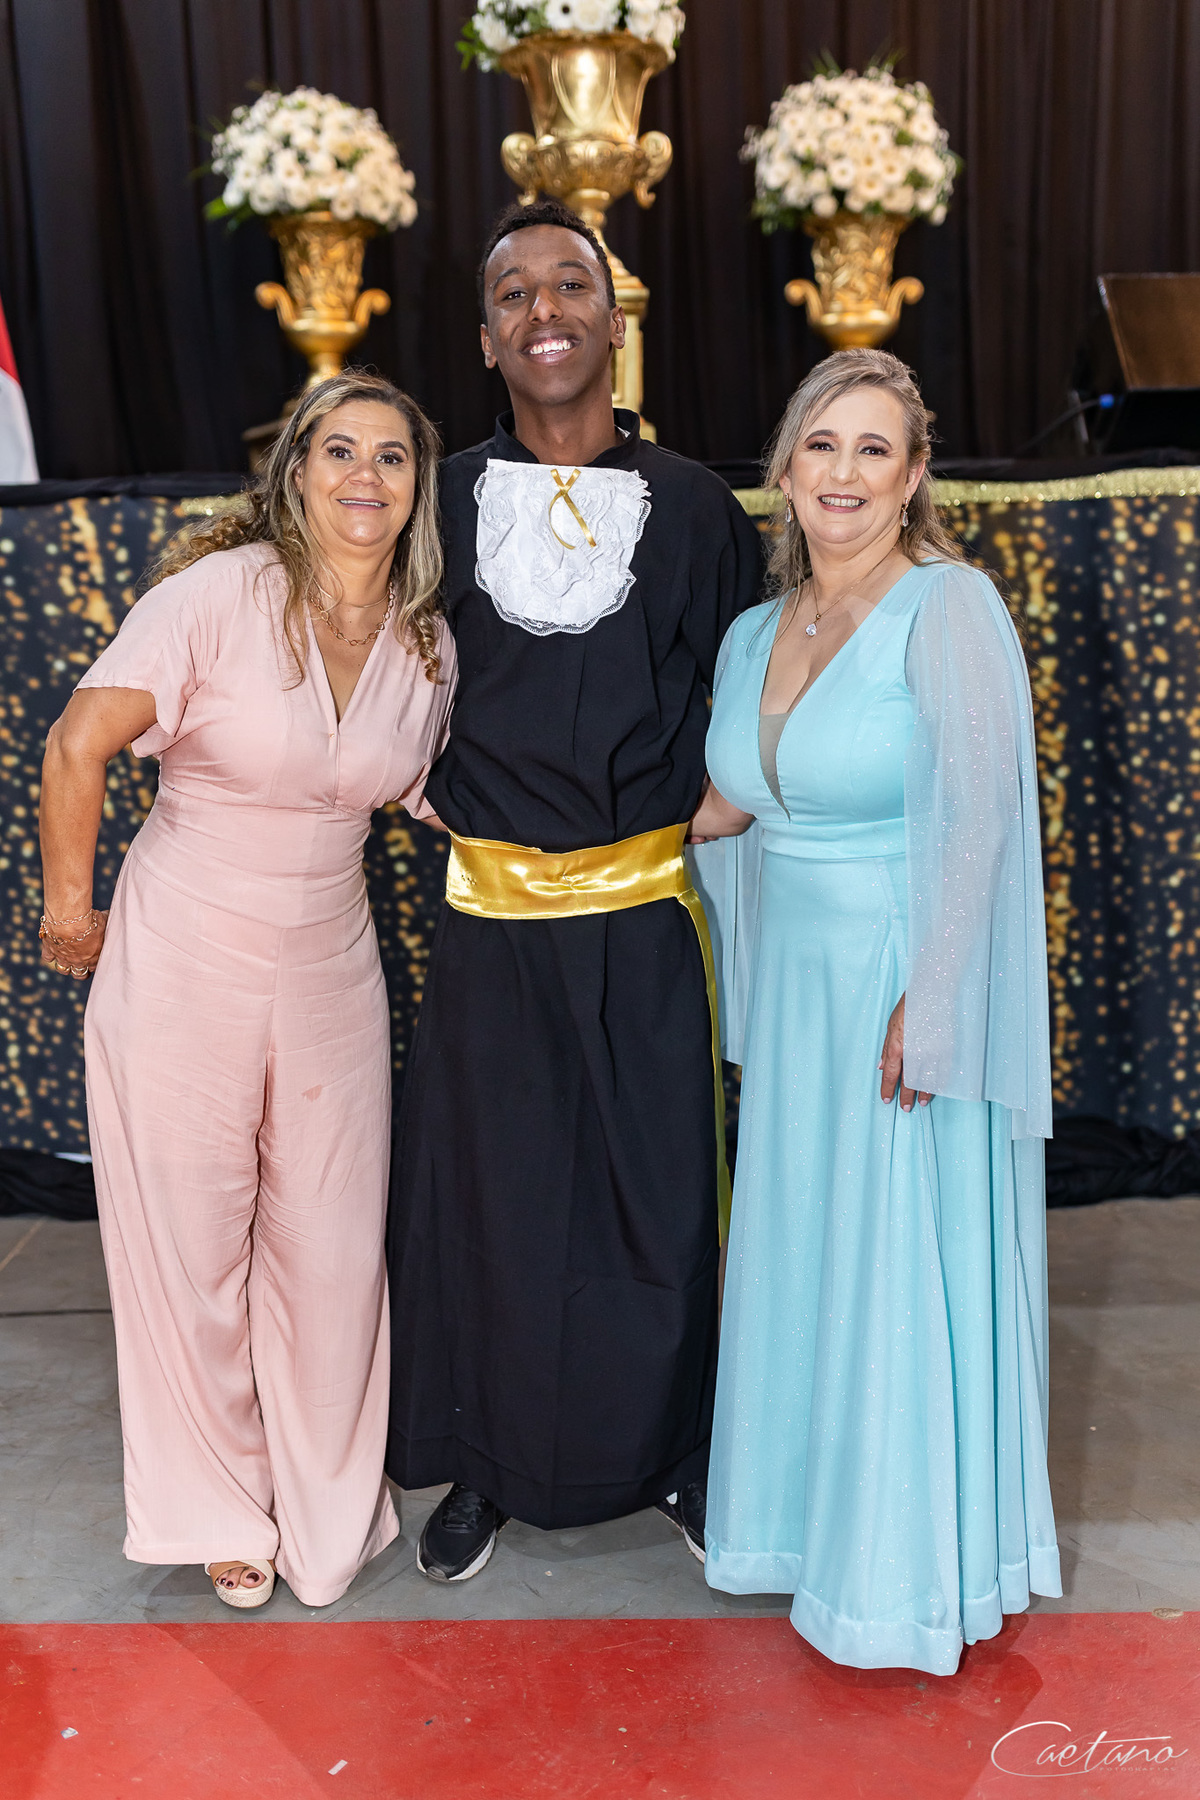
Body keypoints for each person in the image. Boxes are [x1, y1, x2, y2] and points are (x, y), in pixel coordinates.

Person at [386, 198, 763, 1581]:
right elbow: (373, 654)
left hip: (644, 913)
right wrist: (400, 773)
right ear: (487, 339)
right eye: (514, 295)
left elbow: (746, 680)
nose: (544, 310)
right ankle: (490, 1465)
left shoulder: (700, 507)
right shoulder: (435, 502)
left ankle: (675, 1453)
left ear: (613, 319)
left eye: (569, 286)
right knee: (496, 1199)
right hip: (492, 921)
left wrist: (726, 796)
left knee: (657, 1196)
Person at [38, 373, 456, 1611]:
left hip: (333, 962)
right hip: (183, 951)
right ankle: (219, 1504)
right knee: (193, 1247)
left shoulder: (428, 641)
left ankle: (327, 1507)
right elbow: (76, 743)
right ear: (295, 474)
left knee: (332, 1252)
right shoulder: (216, 596)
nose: (365, 476)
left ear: (419, 487)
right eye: (340, 451)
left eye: (392, 456)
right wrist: (71, 911)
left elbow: (443, 799)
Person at [690, 349, 1061, 1676]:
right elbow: (724, 809)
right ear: (785, 469)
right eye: (822, 445)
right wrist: (539, 840)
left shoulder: (947, 607)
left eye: (874, 450)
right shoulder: (753, 632)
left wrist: (937, 998)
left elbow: (979, 817)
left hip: (901, 977)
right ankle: (801, 1534)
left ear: (913, 479)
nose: (843, 473)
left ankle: (901, 1577)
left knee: (895, 1256)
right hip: (797, 995)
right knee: (808, 1248)